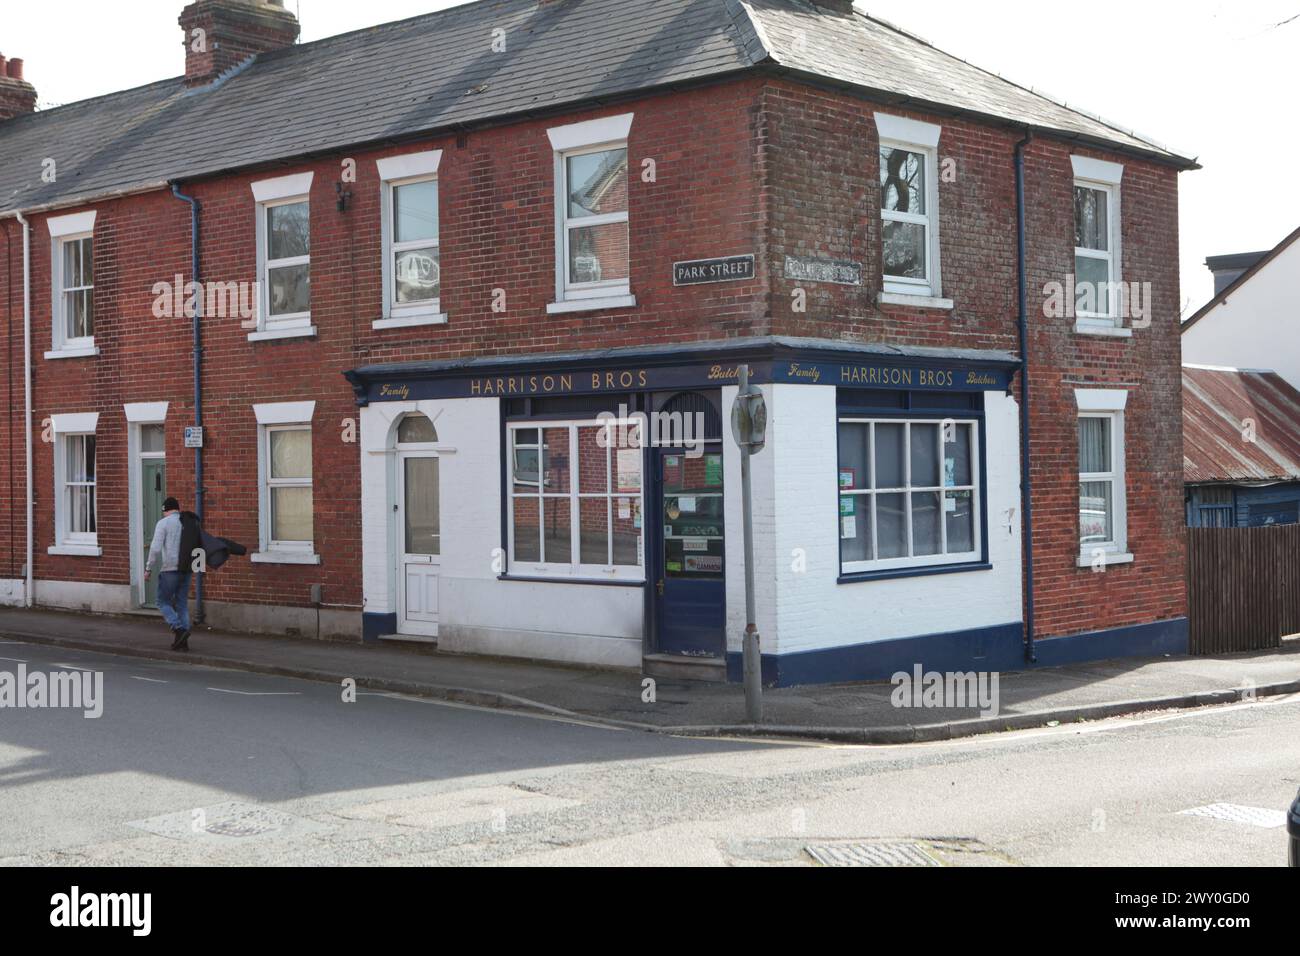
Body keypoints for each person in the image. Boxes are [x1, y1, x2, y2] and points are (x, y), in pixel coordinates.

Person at [144, 496, 198, 651]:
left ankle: (178, 628)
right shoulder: (189, 522)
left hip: (170, 570)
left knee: (162, 602)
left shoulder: (163, 523)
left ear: (165, 510)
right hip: (187, 569)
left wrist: (148, 568)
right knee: (181, 604)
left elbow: (155, 548)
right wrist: (197, 567)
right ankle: (183, 643)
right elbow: (198, 544)